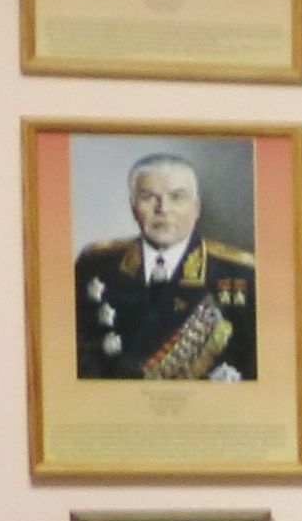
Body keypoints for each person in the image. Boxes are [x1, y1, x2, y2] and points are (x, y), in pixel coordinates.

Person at [72, 148, 257, 382]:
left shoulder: (239, 273)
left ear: (197, 207)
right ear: (132, 207)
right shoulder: (96, 265)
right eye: (148, 197)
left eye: (177, 197)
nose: (163, 209)